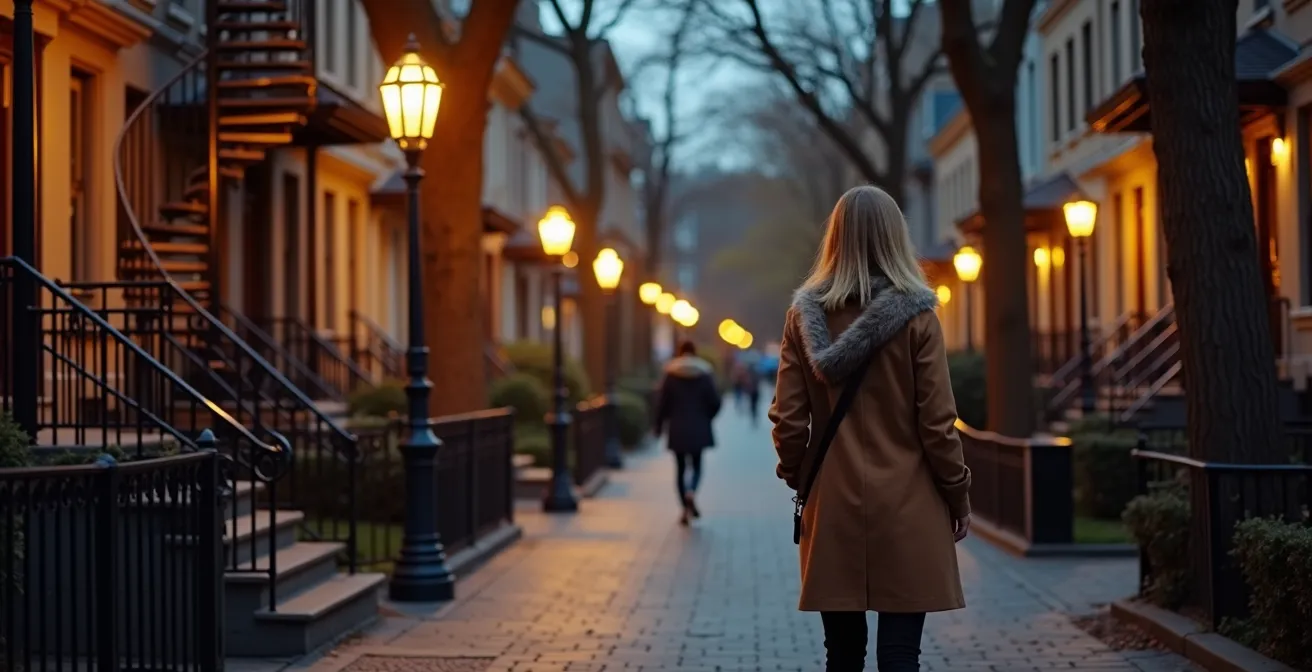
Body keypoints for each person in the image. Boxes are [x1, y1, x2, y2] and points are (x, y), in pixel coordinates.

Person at [769, 185, 972, 671]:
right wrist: (957, 494)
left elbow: (788, 420)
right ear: (894, 237)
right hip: (910, 505)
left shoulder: (803, 317)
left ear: (834, 239)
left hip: (834, 503)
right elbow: (938, 424)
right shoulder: (919, 318)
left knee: (841, 654)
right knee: (901, 654)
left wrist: (802, 478)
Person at [653, 341, 722, 525]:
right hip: (699, 427)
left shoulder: (670, 373)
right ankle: (692, 489)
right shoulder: (705, 373)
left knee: (680, 467)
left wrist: (659, 426)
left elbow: (662, 404)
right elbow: (715, 402)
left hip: (677, 428)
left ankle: (684, 506)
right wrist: (707, 417)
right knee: (697, 465)